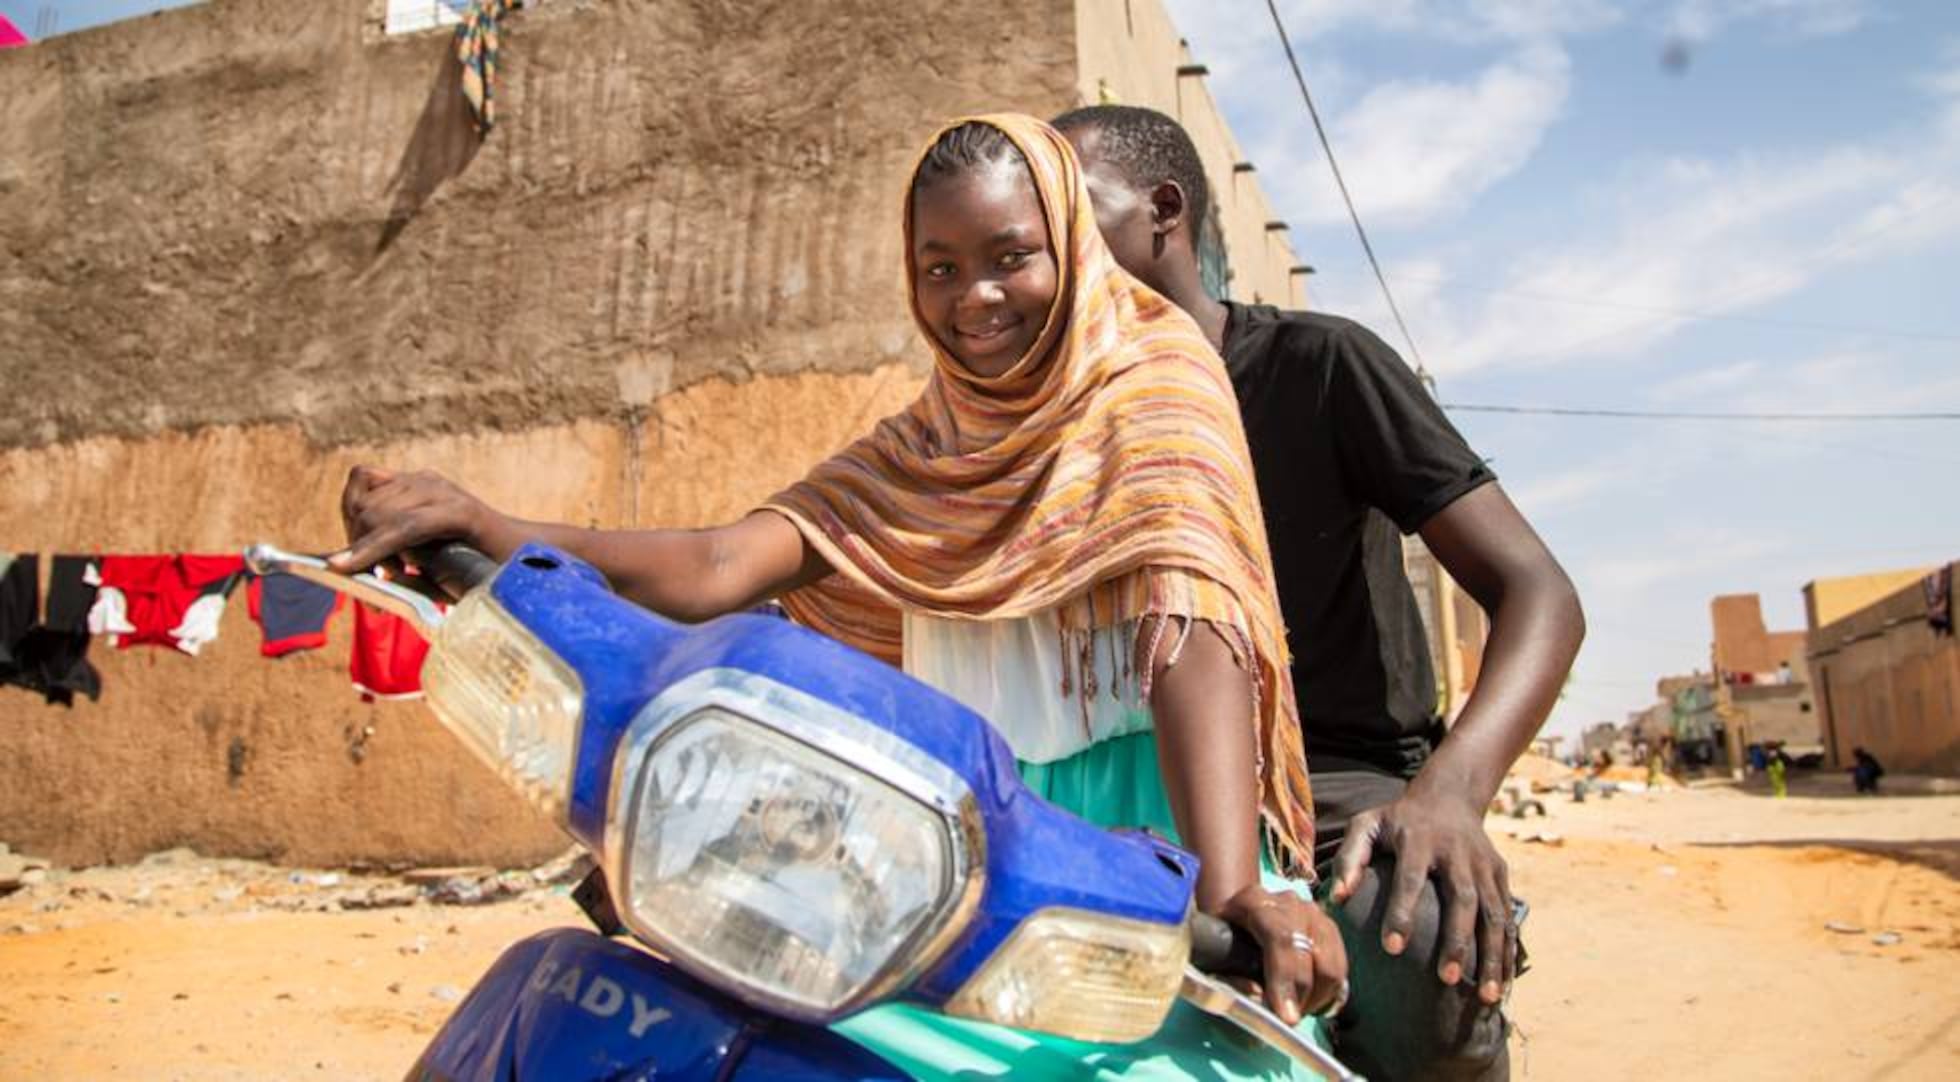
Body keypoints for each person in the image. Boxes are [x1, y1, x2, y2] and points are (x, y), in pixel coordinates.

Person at [333, 114, 1345, 1078]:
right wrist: (491, 529)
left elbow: (1195, 627)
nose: (974, 297)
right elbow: (726, 561)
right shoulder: (926, 442)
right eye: (938, 268)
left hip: (1146, 865)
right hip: (944, 846)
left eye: (1008, 256)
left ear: (1072, 248)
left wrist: (1230, 894)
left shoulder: (1155, 379)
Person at [1051, 104, 1586, 1082]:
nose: (1042, 252)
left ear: (1164, 210)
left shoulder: (1320, 366)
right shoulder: (1055, 421)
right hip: (1118, 773)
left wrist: (1451, 790)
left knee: (1416, 933)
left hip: (1334, 780)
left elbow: (1537, 589)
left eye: (1067, 213)